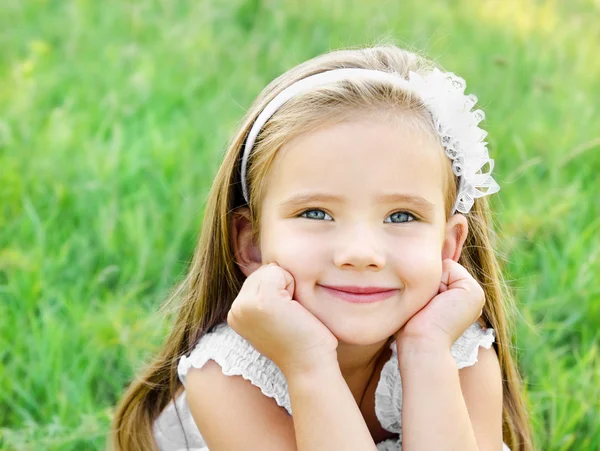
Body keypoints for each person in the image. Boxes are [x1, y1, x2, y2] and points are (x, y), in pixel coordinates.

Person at [112, 45, 533, 450]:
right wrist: (308, 363)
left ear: (447, 246)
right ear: (251, 243)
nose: (361, 252)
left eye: (401, 216)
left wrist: (425, 352)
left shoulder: (456, 351)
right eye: (316, 213)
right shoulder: (228, 376)